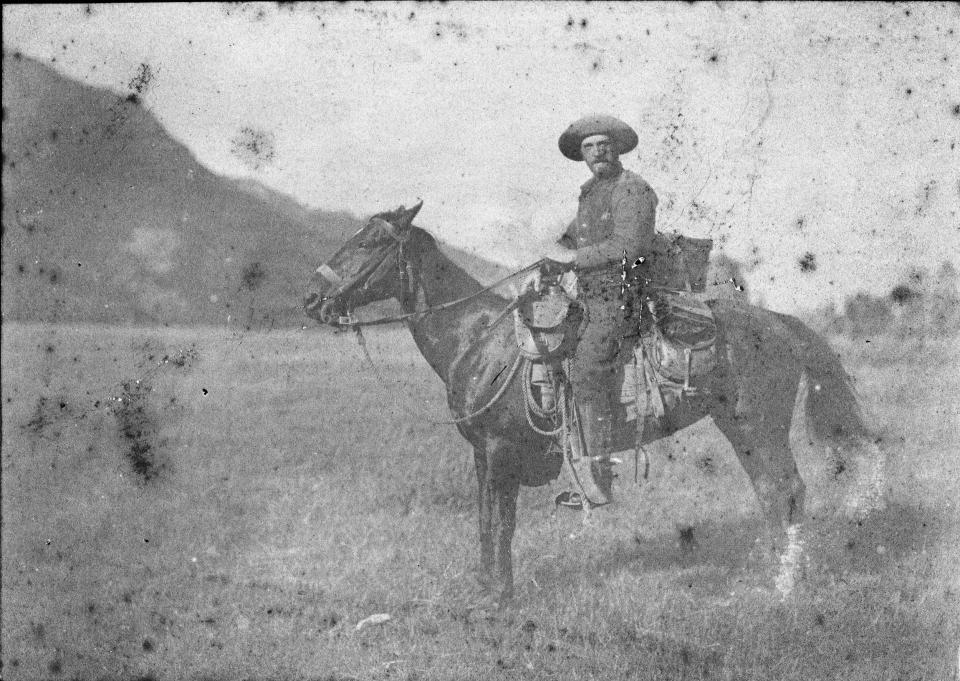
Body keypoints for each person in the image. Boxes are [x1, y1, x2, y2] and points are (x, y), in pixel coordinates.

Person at [539, 114, 658, 502]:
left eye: (603, 145)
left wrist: (573, 259)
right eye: (589, 147)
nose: (597, 152)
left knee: (587, 369)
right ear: (583, 155)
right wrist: (548, 258)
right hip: (591, 298)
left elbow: (630, 247)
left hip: (623, 297)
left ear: (617, 148)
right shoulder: (591, 193)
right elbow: (573, 239)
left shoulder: (632, 189)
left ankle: (599, 479)